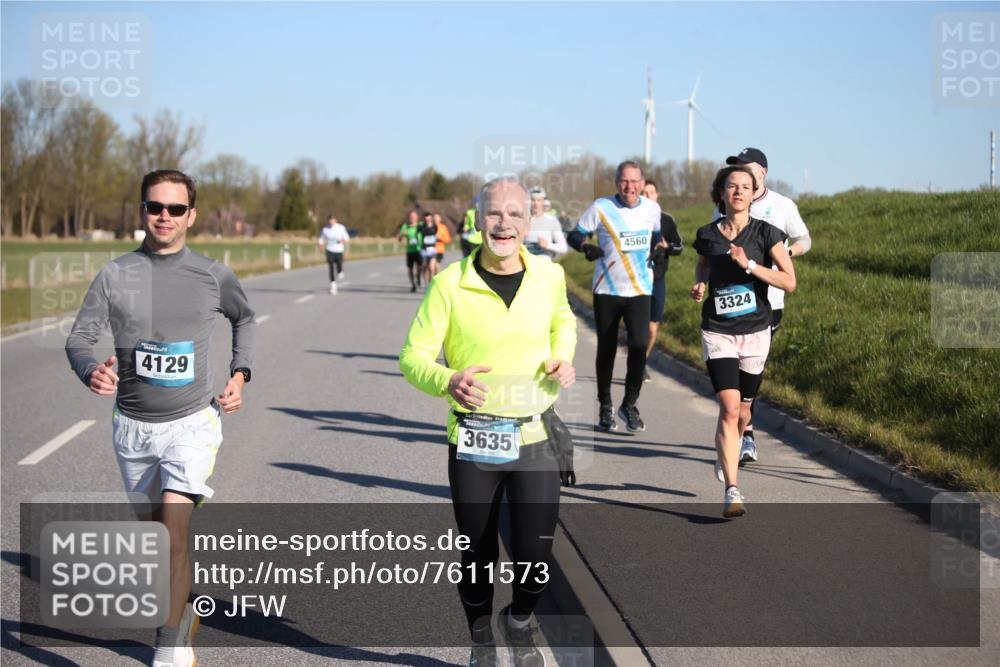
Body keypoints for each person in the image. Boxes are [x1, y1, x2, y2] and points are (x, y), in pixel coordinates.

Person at [65, 169, 255, 666]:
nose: (164, 216)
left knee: (173, 529)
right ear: (142, 211)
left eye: (175, 208)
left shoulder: (213, 275)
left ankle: (168, 646)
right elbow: (79, 339)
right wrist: (90, 371)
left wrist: (240, 374)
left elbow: (245, 318)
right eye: (155, 207)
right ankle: (179, 614)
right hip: (132, 426)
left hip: (191, 423)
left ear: (191, 214)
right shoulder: (115, 275)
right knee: (157, 541)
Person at [400, 177, 576, 667]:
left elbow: (564, 321)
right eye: (494, 213)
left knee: (535, 557)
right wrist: (448, 380)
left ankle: (519, 620)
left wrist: (562, 356)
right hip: (475, 441)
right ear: (478, 219)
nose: (504, 223)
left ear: (528, 221)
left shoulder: (548, 277)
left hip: (536, 434)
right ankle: (480, 635)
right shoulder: (449, 283)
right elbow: (412, 357)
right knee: (477, 554)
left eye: (515, 214)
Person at [692, 165, 795, 518]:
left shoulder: (768, 234)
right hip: (718, 329)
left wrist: (749, 265)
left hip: (756, 331)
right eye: (731, 186)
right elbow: (703, 263)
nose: (737, 192)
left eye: (745, 187)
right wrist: (701, 283)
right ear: (721, 193)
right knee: (730, 407)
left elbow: (788, 281)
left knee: (745, 411)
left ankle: (729, 450)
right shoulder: (708, 234)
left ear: (754, 194)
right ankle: (732, 490)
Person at [715, 147, 812, 464]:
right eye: (736, 171)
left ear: (763, 173)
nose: (741, 176)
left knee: (752, 371)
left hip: (769, 301)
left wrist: (786, 253)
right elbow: (711, 245)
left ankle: (742, 429)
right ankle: (746, 434)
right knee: (740, 372)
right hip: (733, 303)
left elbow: (804, 239)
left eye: (747, 169)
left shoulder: (782, 205)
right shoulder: (726, 204)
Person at [567, 161, 661, 432]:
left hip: (640, 289)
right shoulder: (601, 207)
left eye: (634, 181)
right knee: (606, 348)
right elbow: (575, 234)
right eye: (624, 181)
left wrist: (659, 252)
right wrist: (586, 247)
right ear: (617, 183)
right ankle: (605, 406)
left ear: (642, 184)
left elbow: (658, 237)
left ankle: (629, 404)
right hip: (606, 289)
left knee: (639, 345)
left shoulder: (652, 209)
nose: (629, 186)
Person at [641, 180, 684, 382]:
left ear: (657, 195)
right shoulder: (633, 219)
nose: (647, 196)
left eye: (651, 192)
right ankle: (637, 364)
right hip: (636, 279)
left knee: (652, 328)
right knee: (639, 325)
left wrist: (667, 247)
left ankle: (642, 360)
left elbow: (679, 247)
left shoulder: (666, 220)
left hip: (657, 279)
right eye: (644, 192)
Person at [523, 186, 568, 261]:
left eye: (539, 200)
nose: (536, 203)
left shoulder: (552, 221)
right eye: (533, 200)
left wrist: (548, 245)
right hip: (526, 265)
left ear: (543, 201)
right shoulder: (522, 221)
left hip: (544, 266)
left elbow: (563, 247)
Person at [318, 215, 350, 294]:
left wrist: (342, 241)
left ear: (336, 220)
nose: (331, 222)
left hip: (339, 250)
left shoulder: (341, 227)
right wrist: (321, 245)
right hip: (329, 250)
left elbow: (346, 238)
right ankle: (333, 285)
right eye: (330, 221)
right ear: (328, 221)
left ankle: (340, 271)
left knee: (339, 264)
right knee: (331, 267)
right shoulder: (325, 229)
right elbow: (321, 238)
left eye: (333, 220)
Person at [398, 209, 423, 292]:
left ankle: (418, 276)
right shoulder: (405, 227)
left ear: (417, 217)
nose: (412, 218)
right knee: (410, 269)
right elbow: (400, 239)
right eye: (410, 217)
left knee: (420, 267)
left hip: (419, 250)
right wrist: (401, 235)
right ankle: (413, 285)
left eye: (413, 216)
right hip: (410, 251)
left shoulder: (420, 225)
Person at [419, 211, 439, 287]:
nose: (427, 220)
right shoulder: (421, 227)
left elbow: (436, 234)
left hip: (432, 249)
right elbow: (418, 235)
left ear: (431, 218)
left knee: (431, 268)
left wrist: (436, 239)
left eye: (429, 218)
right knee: (424, 266)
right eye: (426, 219)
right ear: (424, 219)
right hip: (424, 250)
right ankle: (425, 282)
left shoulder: (434, 226)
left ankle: (430, 284)